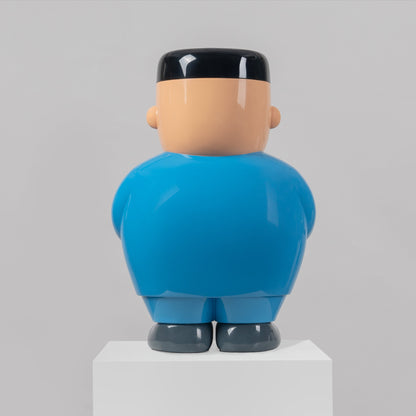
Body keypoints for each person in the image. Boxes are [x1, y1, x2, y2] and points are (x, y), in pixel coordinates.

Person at [112, 48, 315, 353]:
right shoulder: (283, 180)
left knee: (177, 316)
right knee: (251, 313)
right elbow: (307, 219)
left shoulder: (144, 178)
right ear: (270, 115)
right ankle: (250, 326)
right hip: (259, 287)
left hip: (169, 286)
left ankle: (178, 326)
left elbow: (119, 219)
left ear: (156, 115)